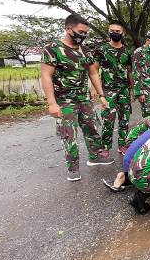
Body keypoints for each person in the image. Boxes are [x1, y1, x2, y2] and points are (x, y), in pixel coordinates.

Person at [40, 14, 113, 181]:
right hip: (64, 101)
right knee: (69, 135)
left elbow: (93, 73)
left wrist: (101, 95)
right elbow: (46, 76)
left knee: (92, 128)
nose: (83, 35)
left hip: (84, 98)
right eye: (80, 31)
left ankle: (96, 157)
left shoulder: (85, 50)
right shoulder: (52, 49)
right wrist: (51, 103)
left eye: (86, 32)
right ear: (68, 28)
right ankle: (73, 168)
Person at [91, 21, 132, 152]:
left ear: (123, 33)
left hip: (124, 90)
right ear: (109, 31)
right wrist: (94, 89)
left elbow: (130, 71)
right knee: (108, 120)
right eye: (112, 30)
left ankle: (123, 145)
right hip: (108, 91)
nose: (114, 33)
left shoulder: (127, 51)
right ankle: (106, 147)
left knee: (124, 120)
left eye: (117, 31)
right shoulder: (101, 49)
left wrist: (133, 90)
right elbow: (94, 71)